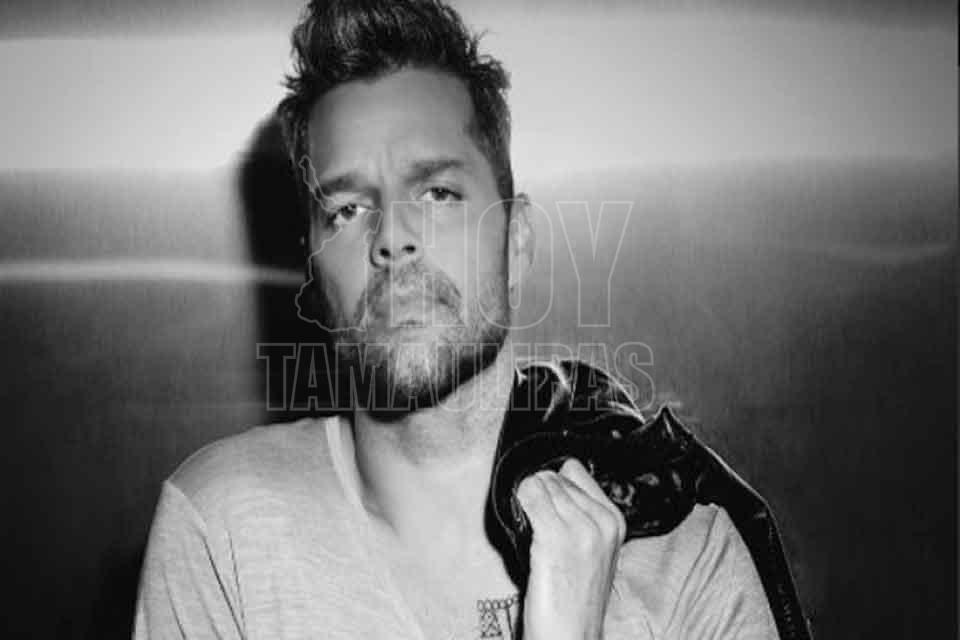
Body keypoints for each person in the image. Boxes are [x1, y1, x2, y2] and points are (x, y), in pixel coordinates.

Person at [133, 1, 780, 638]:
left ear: (516, 241)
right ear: (314, 269)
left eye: (438, 193)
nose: (393, 238)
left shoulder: (688, 557)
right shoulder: (223, 531)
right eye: (347, 210)